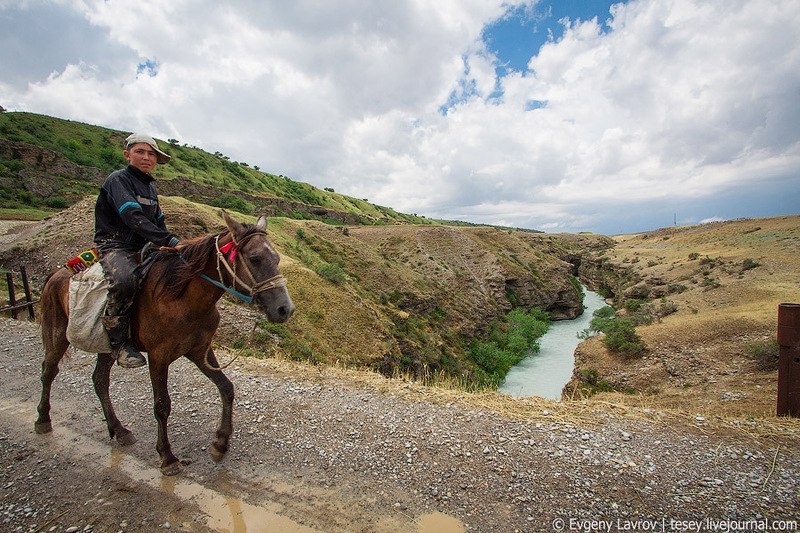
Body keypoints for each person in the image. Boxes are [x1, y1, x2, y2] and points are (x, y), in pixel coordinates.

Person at [94, 133, 181, 368]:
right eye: (140, 152)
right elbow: (133, 217)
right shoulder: (118, 180)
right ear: (127, 155)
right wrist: (170, 241)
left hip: (144, 246)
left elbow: (158, 220)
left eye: (151, 154)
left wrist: (173, 243)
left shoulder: (149, 186)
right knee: (124, 281)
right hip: (115, 244)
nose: (146, 157)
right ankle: (119, 343)